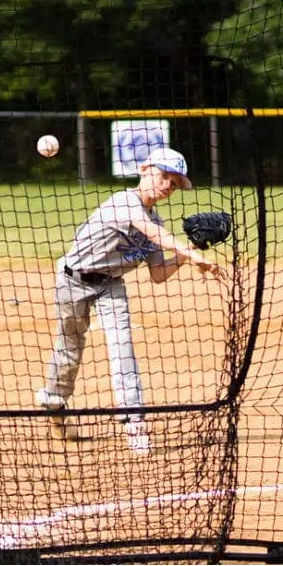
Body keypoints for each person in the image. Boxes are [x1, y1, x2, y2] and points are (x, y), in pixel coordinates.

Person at [35, 147, 225, 455]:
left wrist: (188, 252)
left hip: (111, 286)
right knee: (70, 352)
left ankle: (135, 426)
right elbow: (151, 233)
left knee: (123, 349)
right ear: (145, 169)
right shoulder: (124, 203)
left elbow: (159, 273)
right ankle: (54, 402)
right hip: (73, 281)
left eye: (174, 184)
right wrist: (192, 255)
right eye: (165, 177)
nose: (168, 187)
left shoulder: (156, 220)